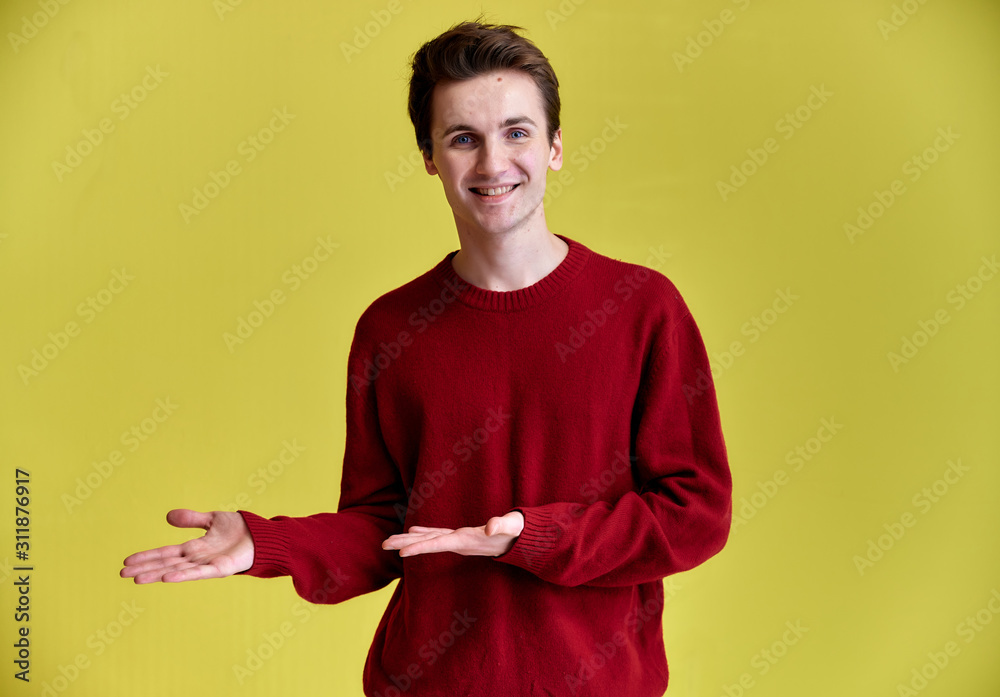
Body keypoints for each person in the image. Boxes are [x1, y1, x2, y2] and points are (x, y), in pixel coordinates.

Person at [121, 18, 733, 697]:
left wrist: (532, 535)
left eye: (517, 132)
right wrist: (267, 545)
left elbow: (695, 513)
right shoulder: (390, 329)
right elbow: (382, 525)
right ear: (429, 156)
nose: (493, 163)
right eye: (463, 138)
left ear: (556, 146)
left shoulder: (641, 307)